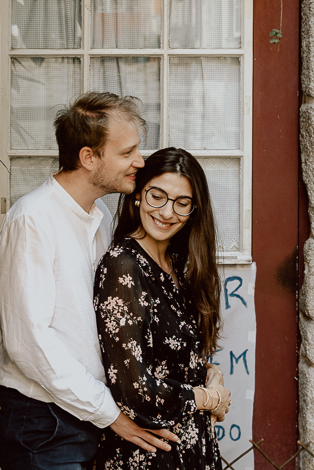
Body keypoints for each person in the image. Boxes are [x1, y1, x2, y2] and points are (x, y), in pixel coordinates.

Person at [0, 92, 180, 470]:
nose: (139, 162)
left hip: (89, 412)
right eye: (127, 153)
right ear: (89, 157)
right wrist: (109, 414)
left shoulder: (102, 216)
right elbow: (29, 343)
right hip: (44, 422)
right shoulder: (33, 219)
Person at [94, 147, 231, 470]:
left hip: (193, 448)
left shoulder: (180, 265)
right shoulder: (123, 265)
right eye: (158, 196)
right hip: (149, 453)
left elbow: (175, 358)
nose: (168, 212)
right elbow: (133, 387)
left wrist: (213, 375)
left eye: (182, 203)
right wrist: (206, 398)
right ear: (138, 196)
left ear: (194, 210)